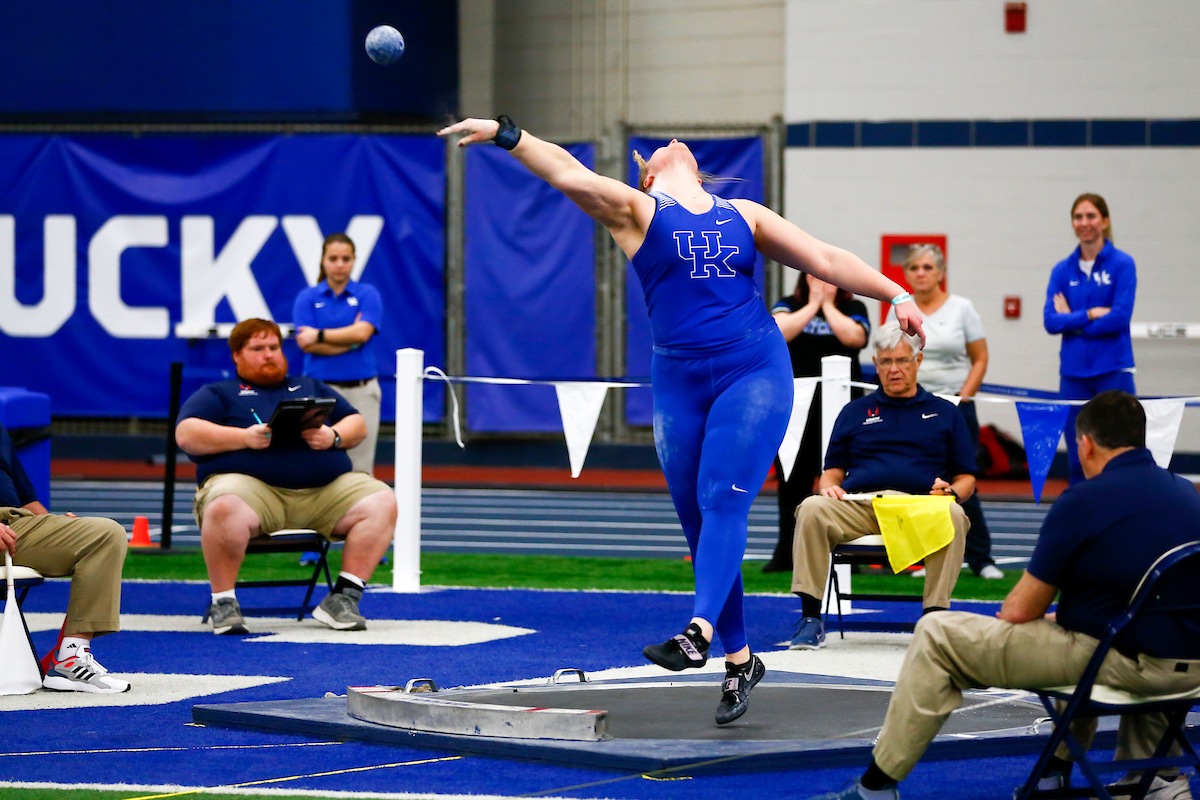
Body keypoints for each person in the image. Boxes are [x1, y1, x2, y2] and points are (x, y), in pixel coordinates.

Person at [437, 115, 925, 725]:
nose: (669, 142)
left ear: (695, 166)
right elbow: (565, 170)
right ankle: (740, 659)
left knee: (724, 499)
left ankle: (696, 631)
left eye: (674, 143)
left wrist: (896, 293)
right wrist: (510, 133)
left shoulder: (744, 214)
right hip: (678, 382)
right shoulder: (637, 211)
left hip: (753, 367)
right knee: (701, 527)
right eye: (656, 149)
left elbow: (824, 257)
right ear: (650, 172)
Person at [811, 391, 1200, 800]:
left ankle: (875, 787)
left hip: (1122, 663)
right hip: (1188, 665)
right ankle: (1118, 775)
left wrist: (1053, 617)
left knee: (937, 634)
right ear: (1142, 439)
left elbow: (1019, 610)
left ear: (1085, 444)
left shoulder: (1084, 500)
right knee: (1084, 638)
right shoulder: (1188, 496)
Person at [175, 318, 396, 635]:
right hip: (253, 495)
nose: (269, 354)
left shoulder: (309, 386)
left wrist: (332, 435)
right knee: (223, 506)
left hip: (322, 493)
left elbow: (356, 424)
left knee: (382, 499)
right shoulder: (219, 393)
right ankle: (223, 602)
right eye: (258, 348)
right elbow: (186, 434)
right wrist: (243, 438)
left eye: (274, 347)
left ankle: (343, 597)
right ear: (236, 355)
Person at [789, 320, 976, 650]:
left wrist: (952, 493)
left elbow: (967, 478)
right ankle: (810, 618)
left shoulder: (945, 413)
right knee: (812, 507)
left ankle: (933, 617)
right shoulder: (854, 411)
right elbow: (832, 471)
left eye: (902, 360)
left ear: (918, 361)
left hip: (918, 508)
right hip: (860, 506)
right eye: (886, 361)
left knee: (955, 517)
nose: (894, 369)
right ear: (875, 364)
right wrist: (828, 488)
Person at [0, 423, 130, 693]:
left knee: (101, 536)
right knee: (104, 534)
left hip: (14, 526)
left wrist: (54, 524)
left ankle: (70, 657)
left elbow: (25, 501)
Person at [901, 244, 1001, 580]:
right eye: (915, 268)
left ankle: (981, 557)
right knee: (924, 484)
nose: (921, 273)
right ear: (907, 274)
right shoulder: (899, 308)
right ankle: (933, 555)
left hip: (957, 407)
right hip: (915, 407)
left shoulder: (962, 308)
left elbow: (981, 358)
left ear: (941, 272)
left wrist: (964, 399)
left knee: (962, 482)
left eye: (928, 267)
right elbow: (894, 353)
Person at [762, 273, 869, 573]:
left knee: (844, 481)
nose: (820, 280)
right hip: (798, 409)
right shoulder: (789, 304)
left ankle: (849, 556)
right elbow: (779, 332)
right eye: (813, 274)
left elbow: (855, 337)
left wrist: (828, 305)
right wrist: (812, 304)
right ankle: (787, 553)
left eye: (827, 276)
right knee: (792, 480)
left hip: (844, 410)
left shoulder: (855, 307)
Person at [1044, 193, 1137, 486]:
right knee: (1078, 457)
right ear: (1073, 223)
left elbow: (1120, 318)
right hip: (1073, 375)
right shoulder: (1062, 270)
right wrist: (1092, 314)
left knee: (1122, 450)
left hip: (1114, 371)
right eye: (1078, 217)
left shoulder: (1123, 264)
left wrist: (1073, 321)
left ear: (1105, 221)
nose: (1084, 223)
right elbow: (1050, 321)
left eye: (1091, 216)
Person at [292, 232, 384, 476]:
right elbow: (306, 344)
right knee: (314, 463)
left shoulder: (367, 294)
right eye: (333, 258)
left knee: (360, 468)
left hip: (362, 390)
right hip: (319, 390)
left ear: (354, 261)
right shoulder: (307, 298)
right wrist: (350, 339)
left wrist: (320, 335)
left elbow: (363, 334)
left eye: (346, 258)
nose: (340, 264)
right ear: (323, 260)